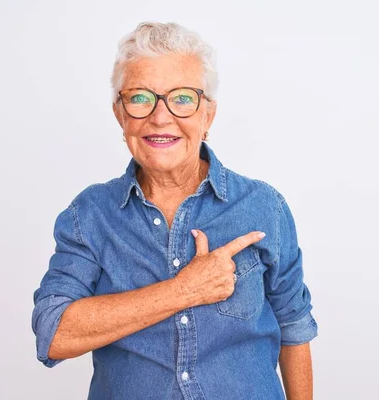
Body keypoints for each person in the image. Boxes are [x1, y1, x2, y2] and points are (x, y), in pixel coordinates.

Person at [31, 21, 318, 400]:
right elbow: (54, 334)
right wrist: (184, 290)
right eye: (140, 98)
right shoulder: (90, 214)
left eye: (182, 98)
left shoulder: (264, 206)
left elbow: (294, 328)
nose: (160, 117)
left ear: (208, 115)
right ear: (120, 115)